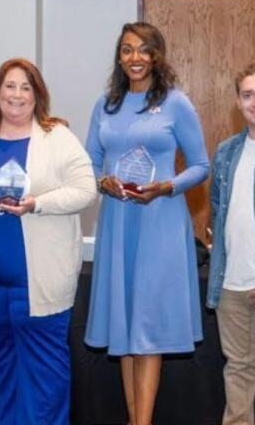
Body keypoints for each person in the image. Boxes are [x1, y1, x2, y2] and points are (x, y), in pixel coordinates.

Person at [84, 22, 209, 425]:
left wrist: (166, 186)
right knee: (125, 331)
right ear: (119, 57)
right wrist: (104, 181)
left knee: (147, 329)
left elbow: (201, 166)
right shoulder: (105, 105)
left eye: (143, 49)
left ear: (157, 55)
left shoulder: (176, 103)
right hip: (118, 223)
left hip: (160, 222)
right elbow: (88, 163)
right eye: (126, 50)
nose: (134, 57)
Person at [0, 58, 96, 424]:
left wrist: (38, 204)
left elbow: (87, 190)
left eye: (25, 87)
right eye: (9, 86)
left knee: (44, 379)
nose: (16, 95)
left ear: (38, 95)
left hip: (39, 284)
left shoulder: (57, 137)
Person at [207, 63, 255, 425]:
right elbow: (217, 211)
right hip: (232, 284)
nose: (254, 101)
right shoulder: (226, 152)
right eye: (248, 94)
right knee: (237, 370)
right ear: (238, 102)